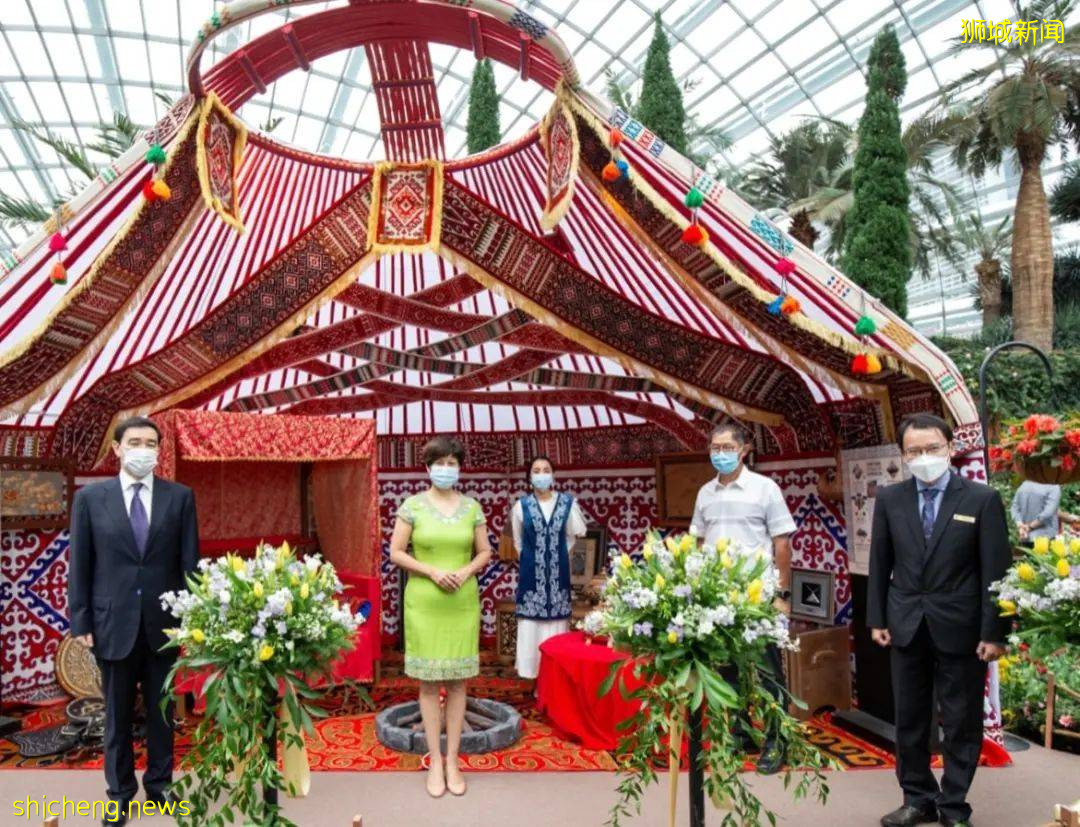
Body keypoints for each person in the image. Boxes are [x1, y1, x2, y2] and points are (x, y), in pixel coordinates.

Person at [868, 413, 1011, 827]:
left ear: (950, 448)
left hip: (963, 628)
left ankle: (953, 805)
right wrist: (877, 617)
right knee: (909, 718)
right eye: (914, 450)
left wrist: (995, 631)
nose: (924, 456)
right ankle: (917, 797)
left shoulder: (981, 499)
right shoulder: (890, 498)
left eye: (932, 448)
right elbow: (881, 563)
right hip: (906, 623)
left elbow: (996, 572)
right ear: (903, 454)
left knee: (962, 719)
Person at [68, 416, 198, 826]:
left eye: (151, 443)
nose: (144, 449)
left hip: (164, 625)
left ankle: (160, 790)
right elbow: (81, 564)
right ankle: (120, 795)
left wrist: (193, 619)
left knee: (162, 714)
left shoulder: (180, 498)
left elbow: (188, 564)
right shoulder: (92, 500)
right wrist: (81, 619)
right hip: (111, 624)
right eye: (135, 441)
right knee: (117, 717)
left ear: (159, 452)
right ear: (118, 449)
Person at [689, 422, 796, 775]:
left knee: (768, 671)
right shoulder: (705, 492)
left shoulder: (765, 489)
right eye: (714, 447)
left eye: (725, 447)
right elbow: (699, 542)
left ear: (744, 449)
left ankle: (777, 741)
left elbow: (782, 543)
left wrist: (781, 592)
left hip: (758, 595)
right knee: (728, 671)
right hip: (720, 599)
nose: (719, 453)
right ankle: (740, 733)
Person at [389, 436, 492, 799]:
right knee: (429, 684)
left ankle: (454, 760)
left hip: (461, 601)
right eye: (440, 462)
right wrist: (432, 572)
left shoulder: (472, 507)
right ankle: (434, 760)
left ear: (459, 467)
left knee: (460, 681)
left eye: (453, 462)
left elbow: (485, 552)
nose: (446, 469)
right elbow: (396, 552)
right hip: (425, 601)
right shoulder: (412, 506)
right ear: (428, 467)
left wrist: (465, 571)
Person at [511, 456, 588, 680]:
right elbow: (518, 542)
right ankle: (532, 677)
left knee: (555, 628)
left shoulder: (567, 504)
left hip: (558, 577)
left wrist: (558, 557)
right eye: (537, 470)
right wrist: (533, 561)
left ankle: (553, 680)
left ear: (553, 475)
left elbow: (574, 536)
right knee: (531, 627)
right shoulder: (521, 506)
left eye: (546, 469)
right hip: (530, 579)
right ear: (530, 477)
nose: (542, 474)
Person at [1010, 479, 1060, 546]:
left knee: (1026, 556)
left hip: (1025, 536)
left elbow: (1014, 507)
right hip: (1044, 537)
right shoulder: (1053, 486)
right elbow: (1048, 513)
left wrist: (1020, 526)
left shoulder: (1025, 484)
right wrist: (1029, 527)